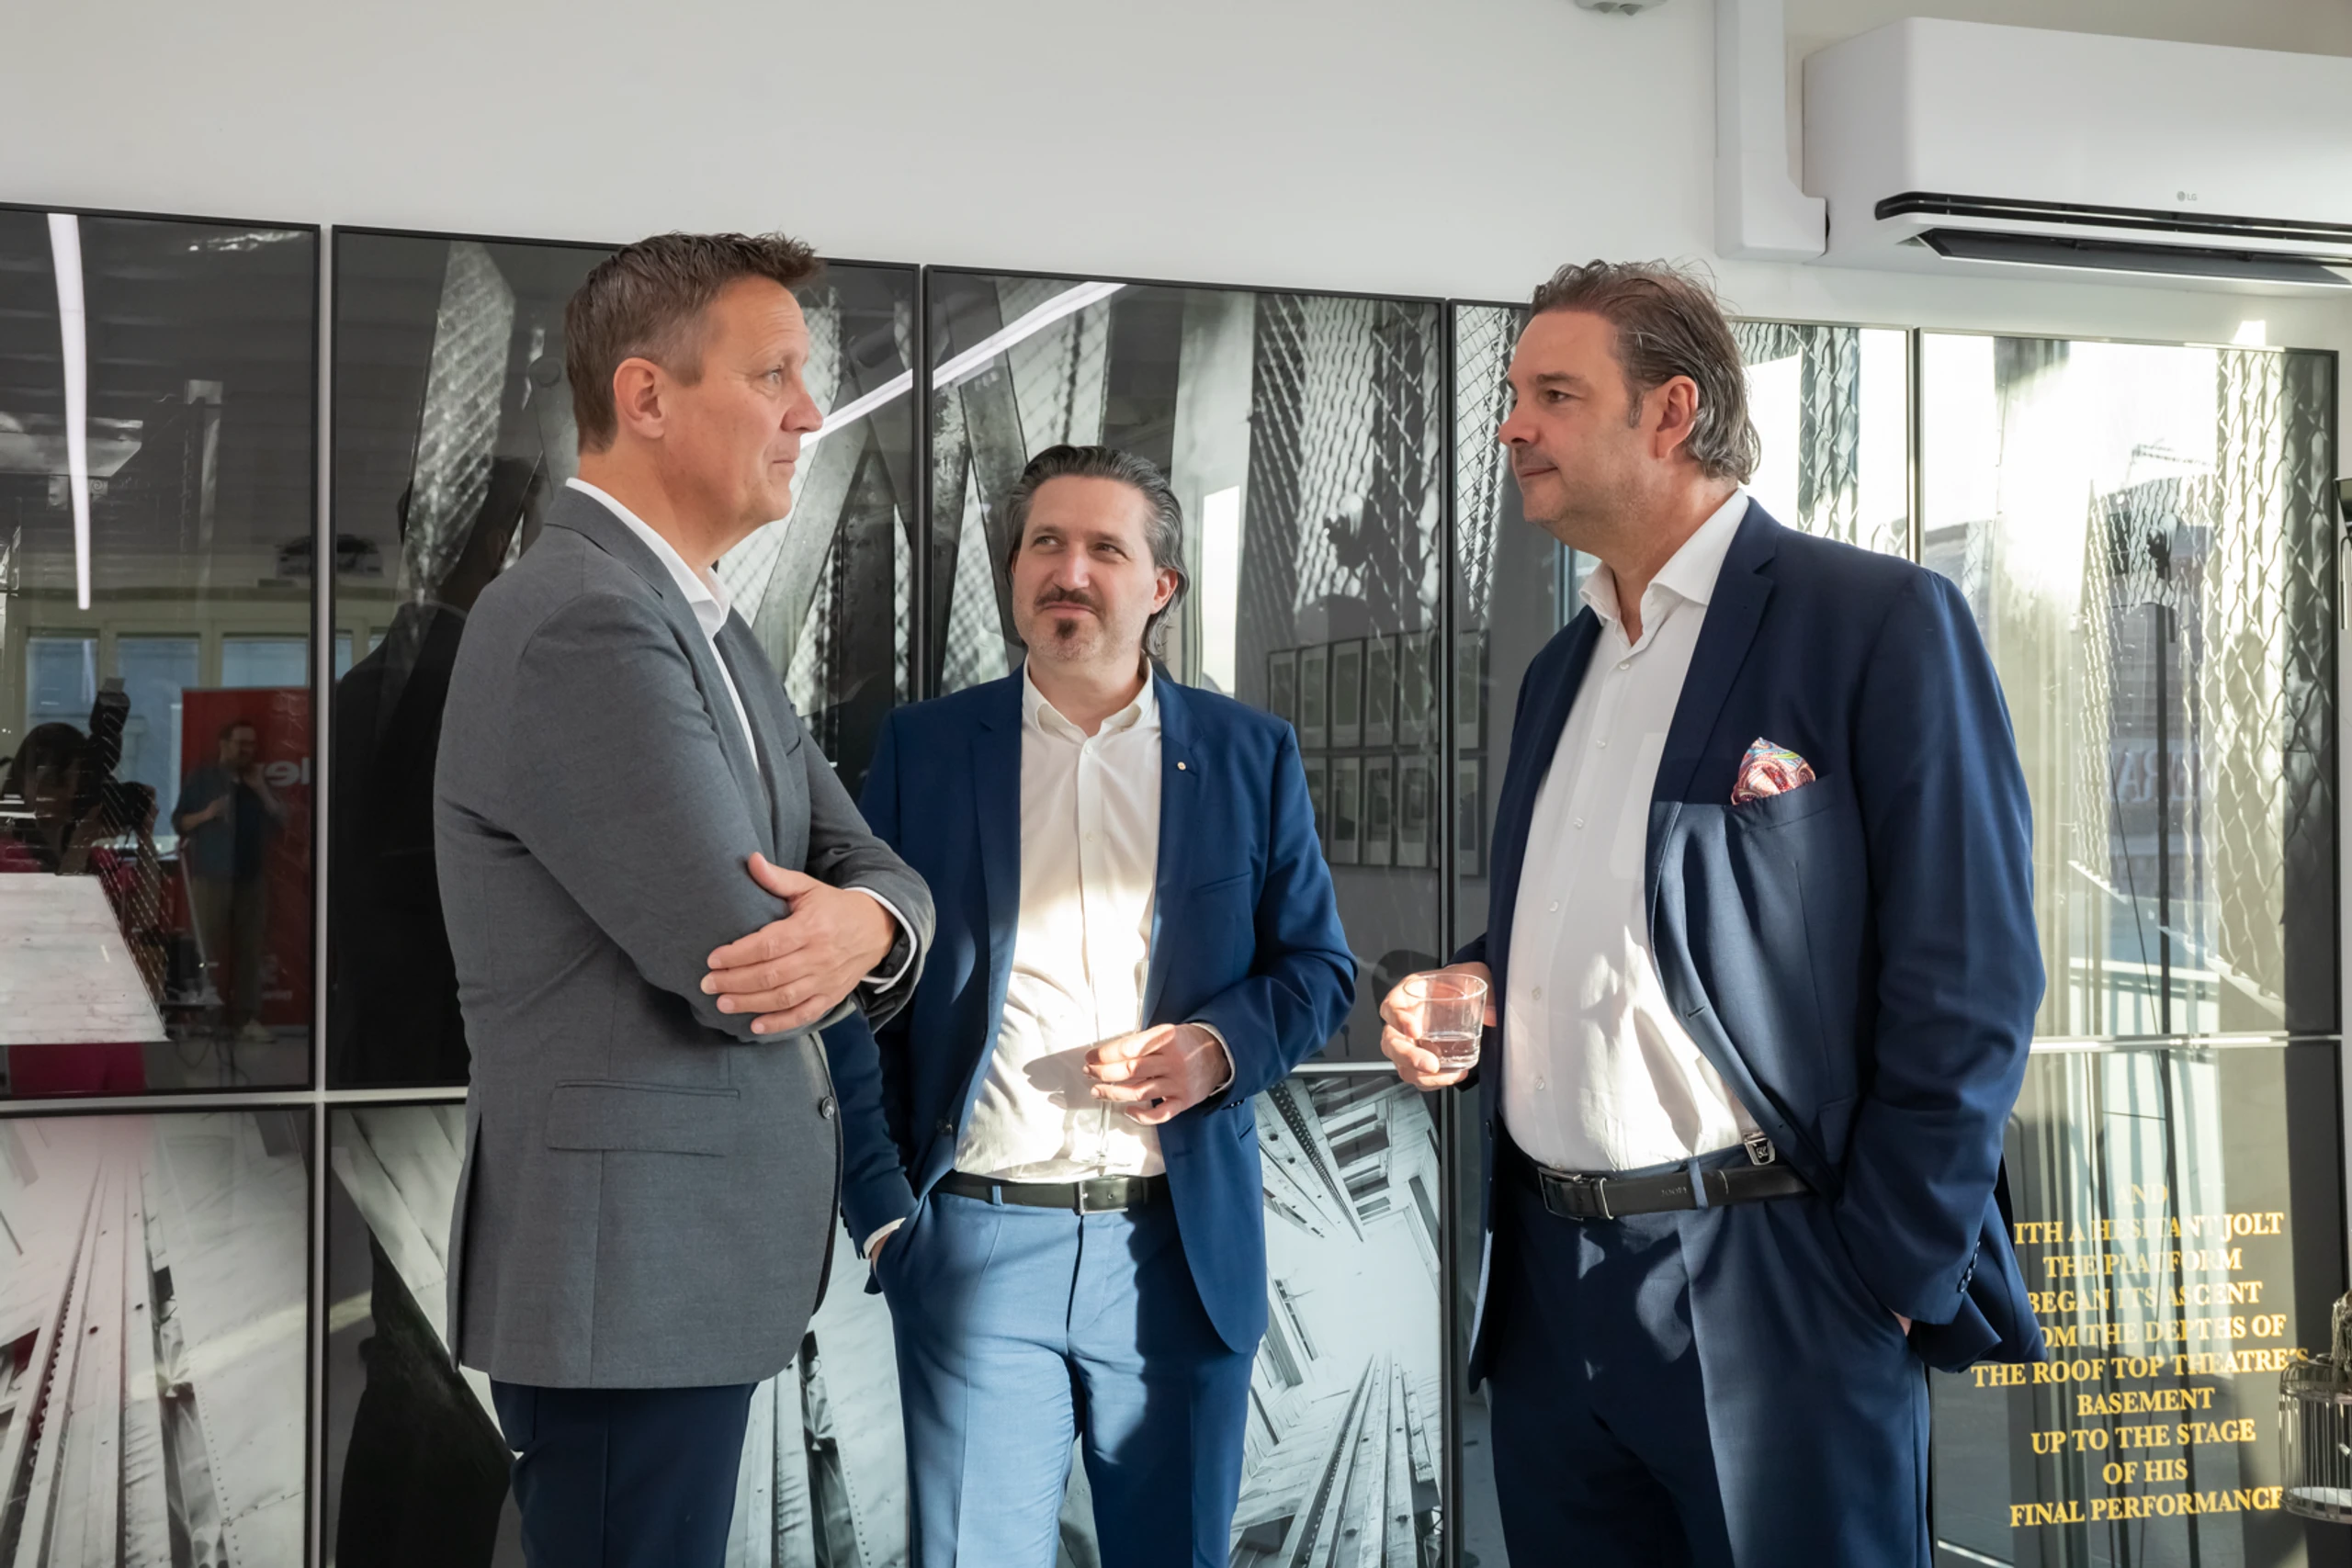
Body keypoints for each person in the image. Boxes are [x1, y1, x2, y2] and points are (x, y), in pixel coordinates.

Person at [1378, 262, 2043, 1568]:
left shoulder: (1875, 619)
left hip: (1778, 1278)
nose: (1512, 424)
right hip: (1551, 1290)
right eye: (1515, 394)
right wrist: (1475, 985)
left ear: (1671, 412)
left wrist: (1888, 1273)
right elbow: (1609, 924)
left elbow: (1969, 977)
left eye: (1554, 393)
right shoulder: (1564, 665)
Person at [433, 231, 935, 1568]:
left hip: (662, 1281)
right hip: (627, 1286)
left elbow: (869, 864)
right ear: (647, 395)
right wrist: (847, 923)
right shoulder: (585, 621)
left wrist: (871, 920)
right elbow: (745, 962)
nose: (809, 414)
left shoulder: (697, 620)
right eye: (773, 376)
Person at [760, 445, 1353, 1568]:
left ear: (1160, 586)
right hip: (976, 1249)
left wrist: (1217, 1048)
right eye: (1045, 543)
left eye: (1102, 549)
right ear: (1015, 571)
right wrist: (884, 1213)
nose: (1067, 571)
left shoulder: (1247, 754)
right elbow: (855, 992)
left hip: (1177, 1252)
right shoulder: (928, 749)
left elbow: (1318, 969)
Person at [173, 716, 285, 1043]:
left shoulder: (258, 780)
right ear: (224, 744)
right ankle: (205, 1019)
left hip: (251, 877)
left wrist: (261, 789)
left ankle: (246, 1018)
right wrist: (207, 814)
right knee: (206, 948)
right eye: (241, 743)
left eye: (252, 744)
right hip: (212, 875)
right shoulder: (203, 778)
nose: (248, 750)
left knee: (250, 950)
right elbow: (179, 822)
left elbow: (282, 820)